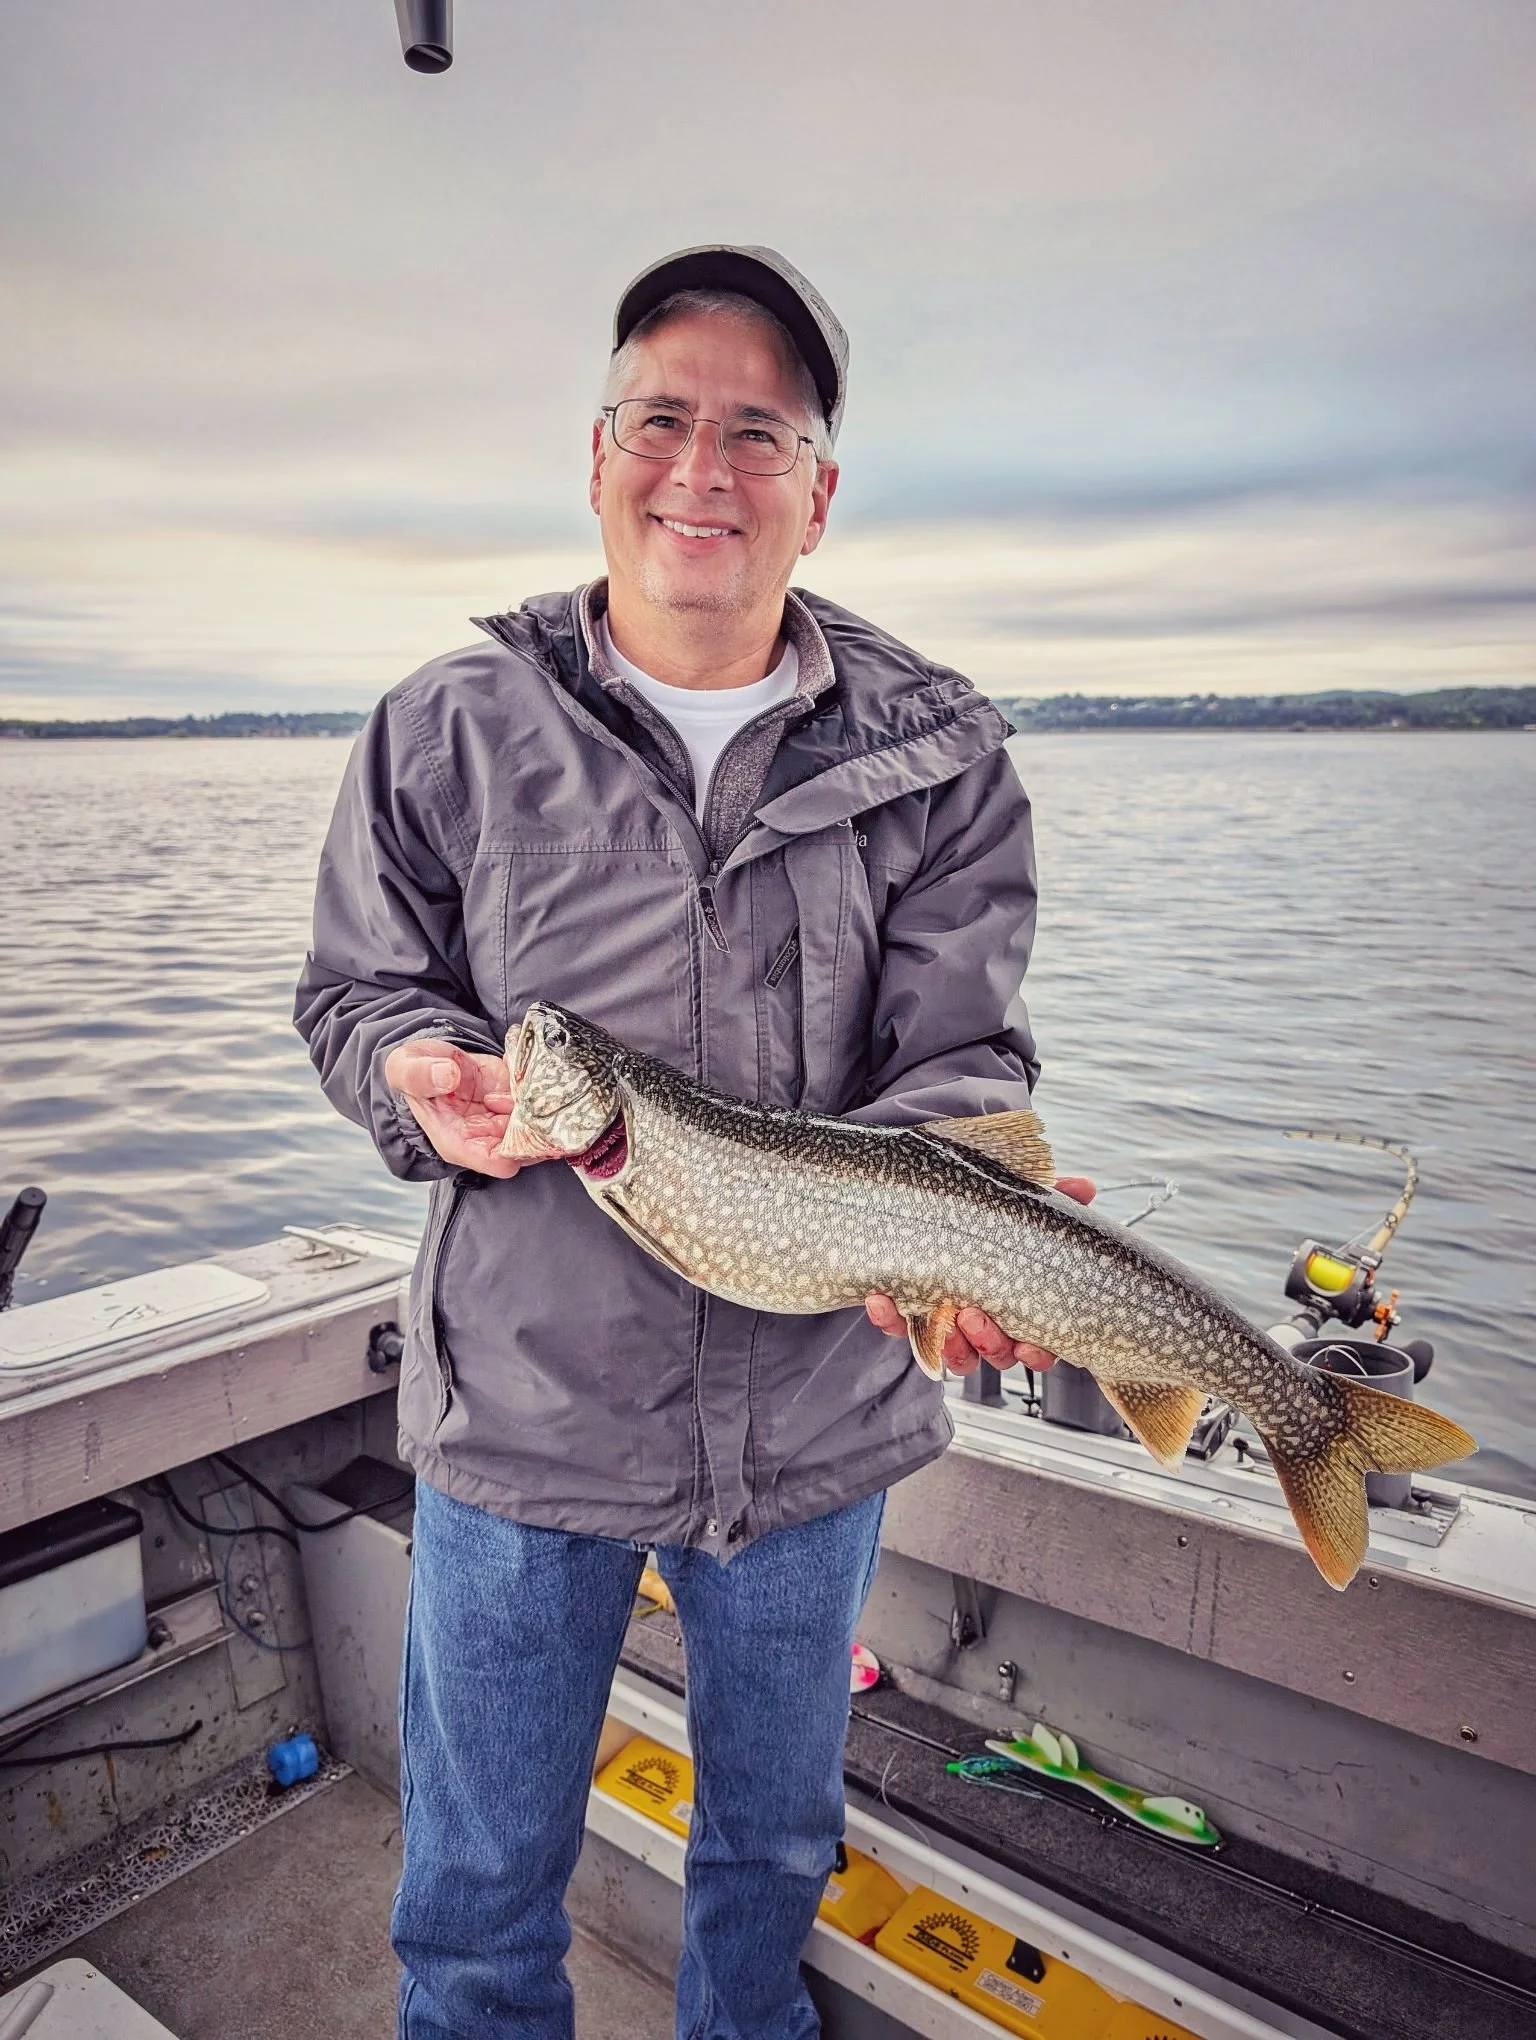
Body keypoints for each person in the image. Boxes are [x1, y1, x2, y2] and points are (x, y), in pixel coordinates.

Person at [294, 243, 1091, 2040]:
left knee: (774, 1854)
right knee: (479, 1889)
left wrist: (959, 1230)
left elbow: (963, 1056)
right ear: (596, 457)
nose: (701, 471)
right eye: (662, 419)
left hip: (821, 1428)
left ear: (821, 492)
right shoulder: (446, 726)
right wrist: (418, 1066)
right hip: (523, 1413)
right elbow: (360, 989)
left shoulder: (940, 755)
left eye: (757, 432)